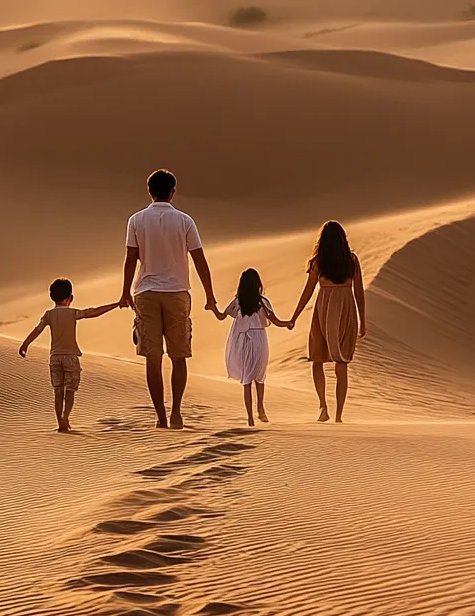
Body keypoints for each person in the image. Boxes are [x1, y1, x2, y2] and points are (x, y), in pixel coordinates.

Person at [120, 169, 216, 430]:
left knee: (153, 357)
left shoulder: (136, 220)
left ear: (149, 191)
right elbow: (199, 260)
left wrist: (124, 291)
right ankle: (176, 413)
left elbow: (131, 258)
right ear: (173, 191)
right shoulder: (185, 221)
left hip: (145, 292)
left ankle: (160, 417)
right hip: (177, 292)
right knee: (178, 355)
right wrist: (210, 295)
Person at [18, 278, 120, 433]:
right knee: (70, 389)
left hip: (55, 358)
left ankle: (60, 422)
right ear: (70, 298)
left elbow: (37, 330)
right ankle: (66, 416)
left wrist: (25, 344)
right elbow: (93, 312)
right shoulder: (73, 313)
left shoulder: (48, 315)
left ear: (52, 297)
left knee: (57, 391)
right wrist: (115, 304)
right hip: (71, 357)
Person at [289, 221, 366, 423]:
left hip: (323, 312)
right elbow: (359, 292)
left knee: (318, 359)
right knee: (341, 364)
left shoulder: (318, 262)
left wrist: (294, 317)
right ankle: (339, 415)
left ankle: (323, 405)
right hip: (345, 312)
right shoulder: (351, 261)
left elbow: (308, 291)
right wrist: (362, 320)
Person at [210, 268, 291, 427]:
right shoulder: (262, 302)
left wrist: (213, 308)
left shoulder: (239, 301)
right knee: (259, 376)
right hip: (259, 340)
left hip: (243, 342)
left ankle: (250, 418)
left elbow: (221, 316)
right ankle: (260, 408)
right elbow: (275, 321)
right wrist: (288, 323)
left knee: (247, 379)